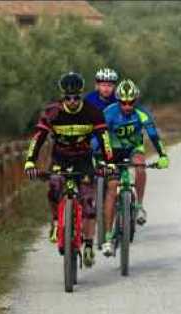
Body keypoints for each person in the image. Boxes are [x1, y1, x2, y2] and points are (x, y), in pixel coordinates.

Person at [24, 72, 113, 268]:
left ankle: (89, 245)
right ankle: (56, 222)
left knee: (89, 204)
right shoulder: (52, 112)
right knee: (54, 185)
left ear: (81, 95)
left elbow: (104, 139)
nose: (72, 102)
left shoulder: (92, 112)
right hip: (60, 159)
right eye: (68, 98)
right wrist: (30, 161)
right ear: (62, 96)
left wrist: (108, 162)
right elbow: (37, 138)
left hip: (84, 160)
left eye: (76, 97)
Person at [99, 79, 169, 256]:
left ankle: (138, 206)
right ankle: (107, 237)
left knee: (140, 166)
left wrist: (162, 155)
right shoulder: (109, 113)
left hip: (132, 149)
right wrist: (97, 156)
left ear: (136, 100)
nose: (128, 106)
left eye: (131, 102)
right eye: (124, 102)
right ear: (118, 100)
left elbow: (153, 135)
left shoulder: (142, 114)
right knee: (112, 187)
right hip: (112, 151)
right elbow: (97, 136)